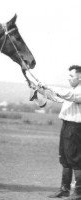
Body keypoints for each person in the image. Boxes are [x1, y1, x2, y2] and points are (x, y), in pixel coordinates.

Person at [39, 65, 81, 200]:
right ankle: (64, 190)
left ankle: (79, 193)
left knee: (75, 159)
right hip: (66, 126)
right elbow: (58, 98)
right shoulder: (73, 90)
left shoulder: (77, 92)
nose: (68, 79)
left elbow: (69, 95)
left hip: (76, 128)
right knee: (64, 158)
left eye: (71, 76)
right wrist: (40, 89)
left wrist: (48, 86)